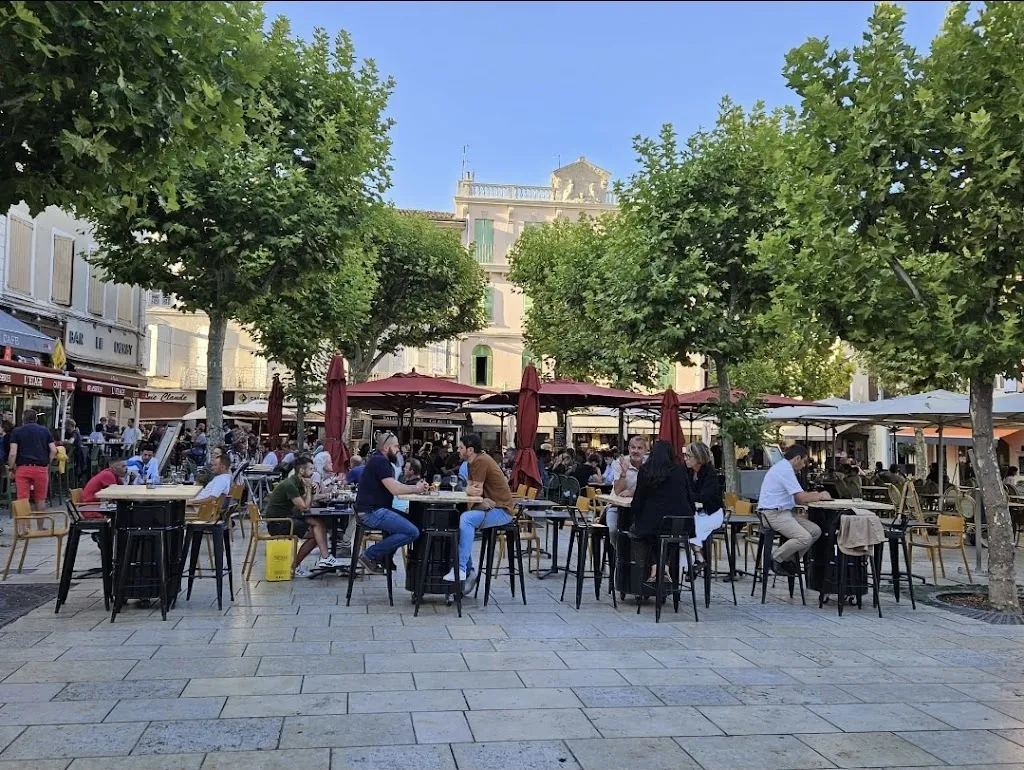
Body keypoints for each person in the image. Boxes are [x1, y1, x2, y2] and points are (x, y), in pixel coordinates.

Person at [444, 432, 514, 587]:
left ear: (470, 450)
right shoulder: (471, 463)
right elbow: (471, 490)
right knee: (459, 520)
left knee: (466, 519)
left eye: (461, 447)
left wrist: (478, 497)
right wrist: (480, 500)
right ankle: (468, 571)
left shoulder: (481, 461)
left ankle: (461, 569)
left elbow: (474, 490)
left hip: (502, 511)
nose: (458, 450)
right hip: (494, 508)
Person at [353, 432, 424, 575]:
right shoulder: (381, 461)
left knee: (414, 521)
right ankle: (370, 555)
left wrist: (415, 488)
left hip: (373, 510)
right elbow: (395, 489)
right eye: (396, 446)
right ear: (386, 448)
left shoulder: (378, 460)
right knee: (413, 531)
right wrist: (416, 489)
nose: (399, 450)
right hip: (372, 512)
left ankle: (386, 558)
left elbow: (394, 484)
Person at [758, 444, 830, 576]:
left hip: (783, 513)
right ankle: (774, 558)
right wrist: (820, 495)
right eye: (804, 462)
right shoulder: (785, 470)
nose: (804, 466)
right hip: (773, 514)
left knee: (815, 531)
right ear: (797, 458)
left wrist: (814, 495)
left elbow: (797, 498)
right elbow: (801, 498)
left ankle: (789, 561)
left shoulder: (784, 468)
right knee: (804, 538)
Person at [264, 455, 342, 576]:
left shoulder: (298, 483)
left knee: (319, 523)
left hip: (287, 517)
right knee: (316, 535)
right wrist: (309, 490)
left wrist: (311, 490)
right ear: (301, 470)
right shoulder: (291, 484)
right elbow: (305, 507)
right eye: (310, 469)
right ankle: (295, 567)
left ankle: (326, 558)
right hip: (278, 523)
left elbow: (307, 506)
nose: (313, 472)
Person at [630, 439, 693, 583]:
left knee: (640, 533)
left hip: (652, 523)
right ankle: (664, 565)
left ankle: (653, 566)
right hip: (679, 523)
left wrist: (636, 513)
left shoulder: (646, 470)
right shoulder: (680, 470)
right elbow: (689, 495)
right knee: (669, 537)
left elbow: (638, 501)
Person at [683, 441, 724, 569]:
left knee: (694, 528)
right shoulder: (687, 472)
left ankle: (698, 559)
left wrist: (688, 495)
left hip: (712, 513)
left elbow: (704, 497)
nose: (685, 459)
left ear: (698, 458)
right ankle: (699, 558)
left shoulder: (709, 473)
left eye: (688, 456)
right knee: (687, 525)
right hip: (696, 512)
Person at [8, 410, 57, 512]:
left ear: (23, 419)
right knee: (40, 500)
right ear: (36, 419)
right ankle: (40, 527)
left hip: (23, 468)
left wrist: (11, 467)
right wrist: (47, 463)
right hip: (40, 468)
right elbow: (53, 450)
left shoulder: (17, 431)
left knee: (22, 500)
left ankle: (23, 528)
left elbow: (13, 453)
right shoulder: (45, 431)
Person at [608, 435, 647, 534]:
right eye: (633, 447)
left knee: (645, 533)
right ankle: (617, 549)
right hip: (617, 507)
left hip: (642, 509)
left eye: (639, 448)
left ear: (645, 450)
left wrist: (633, 492)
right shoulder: (620, 463)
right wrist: (623, 473)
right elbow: (618, 491)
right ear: (629, 449)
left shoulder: (649, 464)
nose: (636, 451)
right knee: (613, 530)